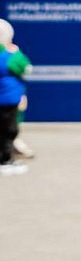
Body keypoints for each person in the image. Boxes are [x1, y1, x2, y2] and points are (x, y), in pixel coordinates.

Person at [0, 19, 30, 176]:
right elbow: (26, 69)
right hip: (8, 100)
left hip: (8, 99)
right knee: (9, 130)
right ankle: (5, 160)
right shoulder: (10, 57)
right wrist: (16, 54)